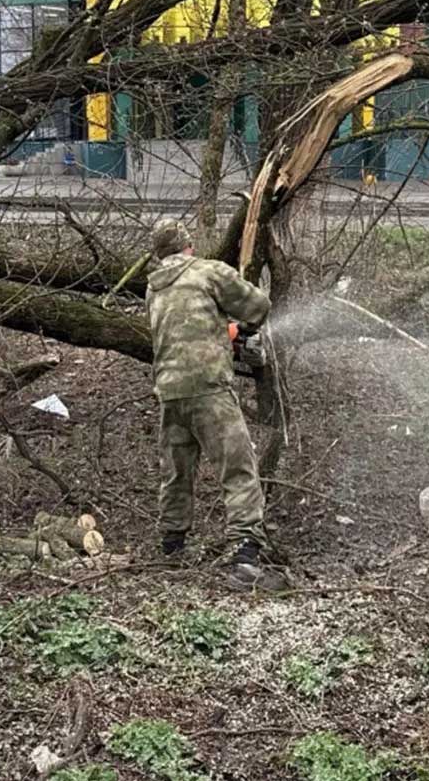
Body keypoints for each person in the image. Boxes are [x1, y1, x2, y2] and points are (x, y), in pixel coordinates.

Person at [145, 218, 282, 589]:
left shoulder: (154, 288)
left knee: (176, 471)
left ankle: (171, 548)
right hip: (209, 387)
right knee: (238, 467)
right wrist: (242, 327)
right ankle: (245, 554)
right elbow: (258, 305)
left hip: (170, 390)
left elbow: (186, 329)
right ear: (188, 245)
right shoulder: (209, 273)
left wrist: (223, 331)